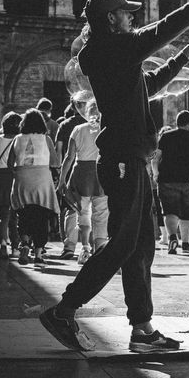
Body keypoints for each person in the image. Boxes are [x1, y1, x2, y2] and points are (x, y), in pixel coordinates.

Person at [40, 0, 189, 352]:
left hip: (132, 158)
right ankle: (64, 310)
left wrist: (184, 57)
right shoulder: (110, 49)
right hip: (122, 160)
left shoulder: (114, 53)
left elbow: (151, 82)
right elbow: (161, 31)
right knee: (122, 244)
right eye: (126, 13)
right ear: (111, 19)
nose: (133, 18)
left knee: (141, 245)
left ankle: (142, 329)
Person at [58, 98, 109, 265]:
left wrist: (62, 180)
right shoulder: (107, 130)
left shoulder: (78, 129)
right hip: (101, 173)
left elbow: (69, 157)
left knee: (82, 212)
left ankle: (85, 248)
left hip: (81, 173)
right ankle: (100, 249)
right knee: (101, 213)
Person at [8, 108, 60, 266]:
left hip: (23, 178)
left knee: (24, 213)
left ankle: (24, 244)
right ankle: (38, 255)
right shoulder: (46, 139)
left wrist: (20, 172)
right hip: (42, 180)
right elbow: (55, 162)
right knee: (41, 216)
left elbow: (10, 163)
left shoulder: (17, 139)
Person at [152, 110, 189, 254]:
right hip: (188, 180)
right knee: (187, 212)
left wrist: (156, 174)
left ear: (177, 122)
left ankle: (172, 237)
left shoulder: (166, 137)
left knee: (169, 211)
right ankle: (185, 243)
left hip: (167, 180)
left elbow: (155, 158)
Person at [55, 91, 90, 260]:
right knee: (96, 210)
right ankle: (93, 246)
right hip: (94, 171)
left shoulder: (66, 125)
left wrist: (60, 174)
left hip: (73, 171)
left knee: (72, 209)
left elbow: (60, 151)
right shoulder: (95, 124)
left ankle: (69, 246)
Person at [0, 111, 22, 258]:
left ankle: (2, 243)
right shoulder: (20, 140)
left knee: (2, 213)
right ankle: (15, 247)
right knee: (13, 215)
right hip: (14, 177)